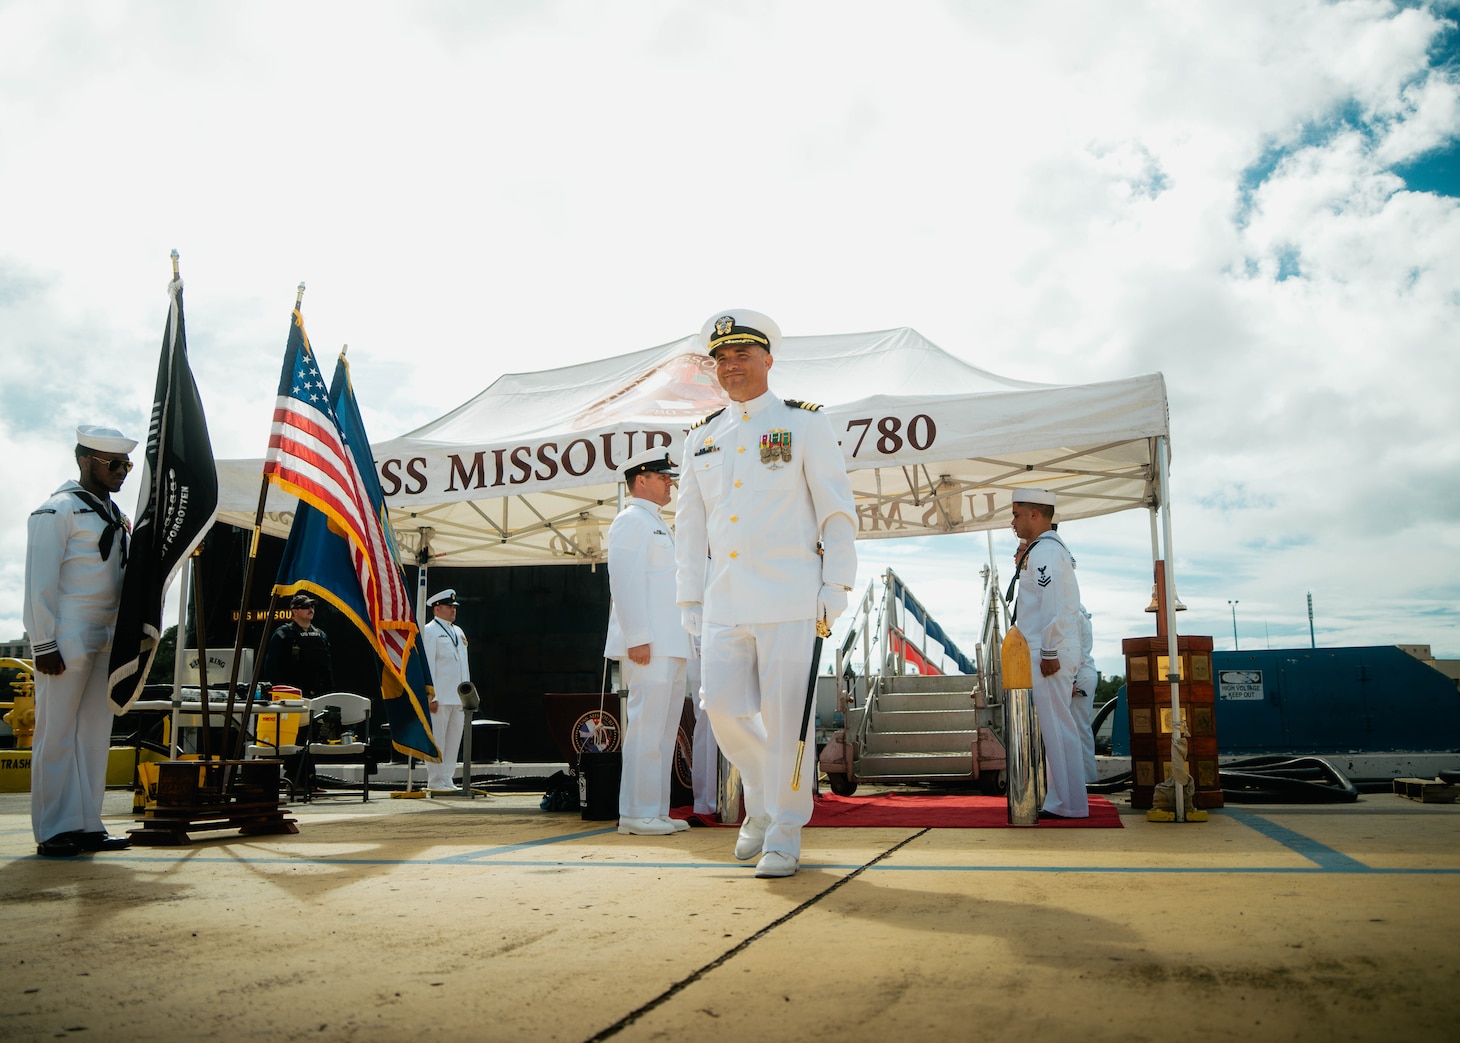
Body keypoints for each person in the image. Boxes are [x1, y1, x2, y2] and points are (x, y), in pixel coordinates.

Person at [675, 309, 857, 878]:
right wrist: (689, 599)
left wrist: (837, 583)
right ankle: (762, 791)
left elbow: (835, 509)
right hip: (725, 599)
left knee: (788, 720)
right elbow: (689, 526)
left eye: (742, 356)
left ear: (768, 360)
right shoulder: (702, 437)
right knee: (722, 709)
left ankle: (783, 828)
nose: (731, 367)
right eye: (721, 359)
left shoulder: (804, 425)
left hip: (791, 595)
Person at [24, 424, 138, 857]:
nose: (122, 471)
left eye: (126, 464)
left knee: (94, 732)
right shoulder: (57, 510)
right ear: (85, 460)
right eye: (114, 463)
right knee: (56, 732)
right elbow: (40, 582)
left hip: (108, 634)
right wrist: (43, 642)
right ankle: (54, 828)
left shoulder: (116, 516)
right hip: (67, 631)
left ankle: (89, 823)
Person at [604, 448, 691, 836]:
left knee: (663, 731)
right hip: (650, 644)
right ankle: (636, 814)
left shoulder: (656, 523)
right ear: (642, 480)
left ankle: (655, 810)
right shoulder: (630, 521)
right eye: (663, 477)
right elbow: (625, 583)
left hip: (671, 643)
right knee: (645, 728)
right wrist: (637, 637)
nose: (670, 482)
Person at [1009, 490, 1088, 819]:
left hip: (1049, 651)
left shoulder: (1046, 553)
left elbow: (1054, 603)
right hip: (1044, 649)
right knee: (1056, 728)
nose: (1012, 522)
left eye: (1016, 514)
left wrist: (1050, 649)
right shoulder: (1044, 551)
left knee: (1057, 728)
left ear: (1035, 514)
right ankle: (1065, 800)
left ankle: (1068, 804)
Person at [422, 588, 470, 793]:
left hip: (458, 697)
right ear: (437, 608)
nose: (453, 610)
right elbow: (429, 665)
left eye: (454, 607)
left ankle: (448, 778)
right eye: (449, 607)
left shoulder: (457, 631)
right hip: (440, 696)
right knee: (438, 739)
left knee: (453, 741)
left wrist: (467, 695)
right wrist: (432, 695)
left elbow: (463, 665)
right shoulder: (430, 630)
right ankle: (435, 781)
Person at [261, 592, 334, 698]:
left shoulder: (321, 635)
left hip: (318, 693)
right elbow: (271, 667)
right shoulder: (283, 634)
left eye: (312, 606)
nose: (310, 610)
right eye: (305, 607)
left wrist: (329, 692)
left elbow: (327, 668)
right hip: (292, 693)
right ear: (295, 611)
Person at [1074, 606, 1099, 784]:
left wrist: (1071, 680)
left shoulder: (1074, 615)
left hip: (1079, 675)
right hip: (1084, 674)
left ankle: (1086, 781)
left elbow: (1074, 651)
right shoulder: (1080, 612)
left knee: (1078, 732)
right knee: (1081, 730)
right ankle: (1086, 780)